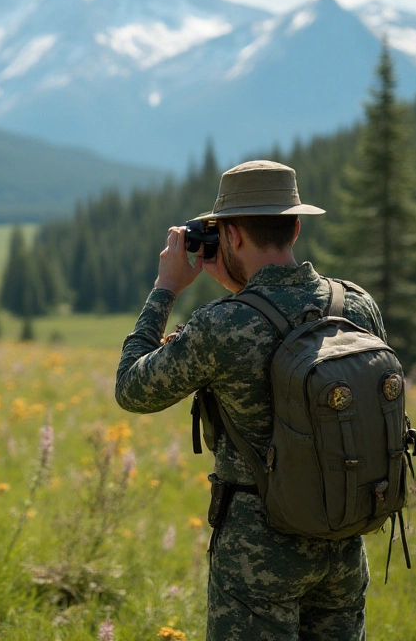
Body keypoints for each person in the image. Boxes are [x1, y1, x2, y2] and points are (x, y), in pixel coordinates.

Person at [114, 160, 387, 640]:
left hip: (257, 551)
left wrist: (165, 289)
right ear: (296, 227)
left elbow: (132, 389)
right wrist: (242, 288)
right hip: (344, 538)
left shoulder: (222, 324)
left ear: (232, 236)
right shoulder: (356, 304)